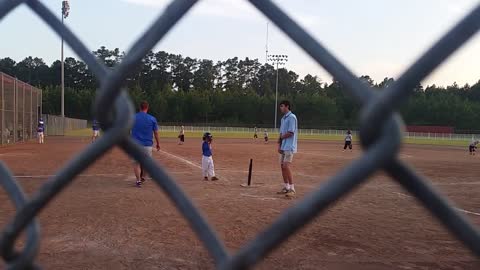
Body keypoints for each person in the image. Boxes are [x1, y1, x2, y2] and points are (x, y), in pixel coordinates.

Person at [131, 101, 160, 187]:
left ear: (139, 107)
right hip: (147, 145)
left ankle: (138, 180)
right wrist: (158, 143)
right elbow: (156, 133)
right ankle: (143, 176)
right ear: (147, 108)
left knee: (136, 163)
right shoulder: (152, 118)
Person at [276, 100, 298, 198]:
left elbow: (290, 132)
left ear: (287, 106)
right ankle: (286, 187)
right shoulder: (283, 119)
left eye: (282, 106)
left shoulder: (292, 117)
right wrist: (279, 145)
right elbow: (281, 133)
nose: (280, 108)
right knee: (282, 166)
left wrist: (281, 138)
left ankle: (292, 189)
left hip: (289, 146)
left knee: (286, 166)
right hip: (283, 146)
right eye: (280, 106)